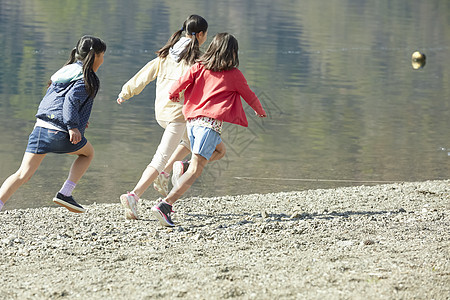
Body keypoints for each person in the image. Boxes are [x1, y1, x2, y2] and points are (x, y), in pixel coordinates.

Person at [151, 32, 267, 227]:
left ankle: (185, 166)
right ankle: (166, 205)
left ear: (213, 48)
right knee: (197, 170)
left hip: (193, 124)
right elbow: (249, 95)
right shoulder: (234, 75)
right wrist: (260, 111)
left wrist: (173, 94)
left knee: (221, 151)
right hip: (209, 126)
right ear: (232, 53)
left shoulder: (199, 66)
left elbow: (180, 82)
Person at [0, 35, 107, 213]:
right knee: (88, 154)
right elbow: (71, 101)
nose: (103, 60)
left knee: (22, 174)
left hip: (40, 129)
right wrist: (72, 125)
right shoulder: (88, 78)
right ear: (95, 56)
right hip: (60, 132)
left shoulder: (64, 71)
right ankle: (65, 193)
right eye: (102, 56)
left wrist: (78, 121)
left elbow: (56, 100)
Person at [117, 15, 208, 220]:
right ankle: (134, 194)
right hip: (178, 116)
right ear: (201, 35)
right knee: (161, 157)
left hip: (162, 112)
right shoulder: (195, 61)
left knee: (193, 142)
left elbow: (144, 74)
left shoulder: (167, 54)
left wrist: (125, 92)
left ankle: (166, 173)